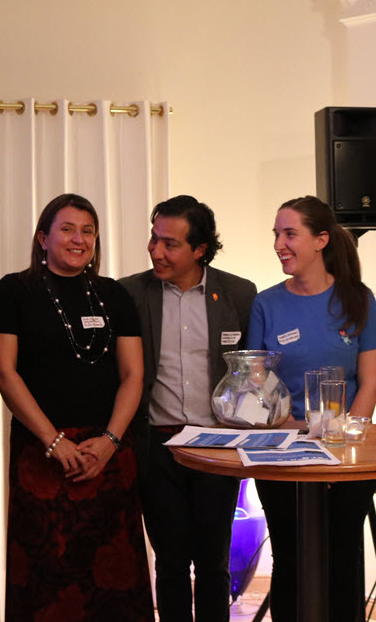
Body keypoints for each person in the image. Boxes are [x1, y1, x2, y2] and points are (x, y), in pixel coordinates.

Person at [0, 193, 153, 622]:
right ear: (43, 238)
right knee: (45, 574)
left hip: (109, 451)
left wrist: (111, 440)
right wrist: (54, 440)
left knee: (114, 577)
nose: (78, 239)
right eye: (67, 229)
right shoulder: (14, 291)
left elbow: (133, 375)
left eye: (87, 231)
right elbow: (4, 373)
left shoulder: (114, 295)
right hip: (42, 453)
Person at [246, 195, 376, 622]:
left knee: (343, 562)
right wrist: (292, 425)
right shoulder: (266, 304)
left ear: (321, 239)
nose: (279, 244)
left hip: (347, 456)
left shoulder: (358, 299)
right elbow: (255, 382)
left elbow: (372, 378)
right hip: (283, 452)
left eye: (290, 234)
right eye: (276, 234)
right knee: (290, 559)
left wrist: (343, 441)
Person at [119, 195, 257, 622]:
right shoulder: (129, 293)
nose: (157, 251)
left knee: (214, 561)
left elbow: (252, 373)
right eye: (154, 239)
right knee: (172, 561)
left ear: (200, 249)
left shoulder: (238, 293)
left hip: (216, 447)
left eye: (170, 243)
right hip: (158, 444)